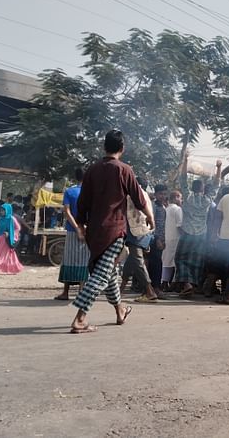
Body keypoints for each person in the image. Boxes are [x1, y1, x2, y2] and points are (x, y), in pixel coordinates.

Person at [69, 130, 153, 333]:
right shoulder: (124, 170)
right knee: (100, 275)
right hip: (114, 230)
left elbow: (83, 201)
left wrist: (80, 224)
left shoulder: (92, 169)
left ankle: (120, 311)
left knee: (110, 273)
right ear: (122, 149)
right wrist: (149, 215)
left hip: (95, 231)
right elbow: (138, 197)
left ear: (103, 147)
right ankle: (80, 318)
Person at [174, 156, 221, 298]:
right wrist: (218, 167)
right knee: (196, 261)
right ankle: (193, 285)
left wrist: (186, 160)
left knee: (180, 259)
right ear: (202, 189)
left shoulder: (187, 197)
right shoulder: (207, 200)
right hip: (201, 234)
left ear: (192, 188)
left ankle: (187, 284)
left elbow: (182, 179)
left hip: (187, 233)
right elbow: (216, 184)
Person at [56, 167, 90, 301]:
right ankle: (82, 291)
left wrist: (76, 228)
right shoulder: (91, 193)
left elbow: (67, 212)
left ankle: (65, 292)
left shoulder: (69, 191)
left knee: (68, 259)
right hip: (87, 230)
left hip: (71, 230)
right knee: (84, 260)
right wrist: (84, 227)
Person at [123, 177, 159, 302]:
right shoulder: (145, 195)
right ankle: (121, 287)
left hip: (136, 230)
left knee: (137, 260)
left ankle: (149, 290)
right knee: (133, 258)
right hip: (143, 230)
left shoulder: (134, 193)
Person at [147, 184, 168, 295]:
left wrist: (164, 240)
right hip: (154, 239)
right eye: (160, 194)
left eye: (164, 194)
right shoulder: (153, 206)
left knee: (157, 263)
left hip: (161, 239)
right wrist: (158, 239)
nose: (163, 196)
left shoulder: (163, 207)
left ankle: (155, 287)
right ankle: (155, 287)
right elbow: (152, 224)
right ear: (155, 194)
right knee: (155, 264)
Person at [161, 191, 183, 291]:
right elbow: (179, 225)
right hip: (176, 238)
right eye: (180, 198)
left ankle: (165, 282)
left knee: (166, 261)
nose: (181, 200)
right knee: (175, 262)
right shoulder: (177, 209)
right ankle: (174, 283)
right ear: (176, 197)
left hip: (167, 238)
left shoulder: (166, 209)